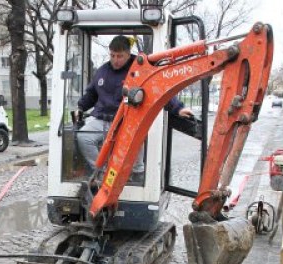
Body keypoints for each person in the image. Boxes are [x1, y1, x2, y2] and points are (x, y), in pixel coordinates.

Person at [75, 35, 194, 179]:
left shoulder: (139, 70)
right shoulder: (102, 71)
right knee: (83, 137)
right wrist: (80, 107)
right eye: (112, 55)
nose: (115, 60)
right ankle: (103, 172)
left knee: (135, 141)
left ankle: (137, 173)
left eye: (120, 56)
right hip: (102, 119)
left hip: (127, 120)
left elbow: (157, 89)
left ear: (128, 53)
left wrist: (178, 108)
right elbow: (91, 94)